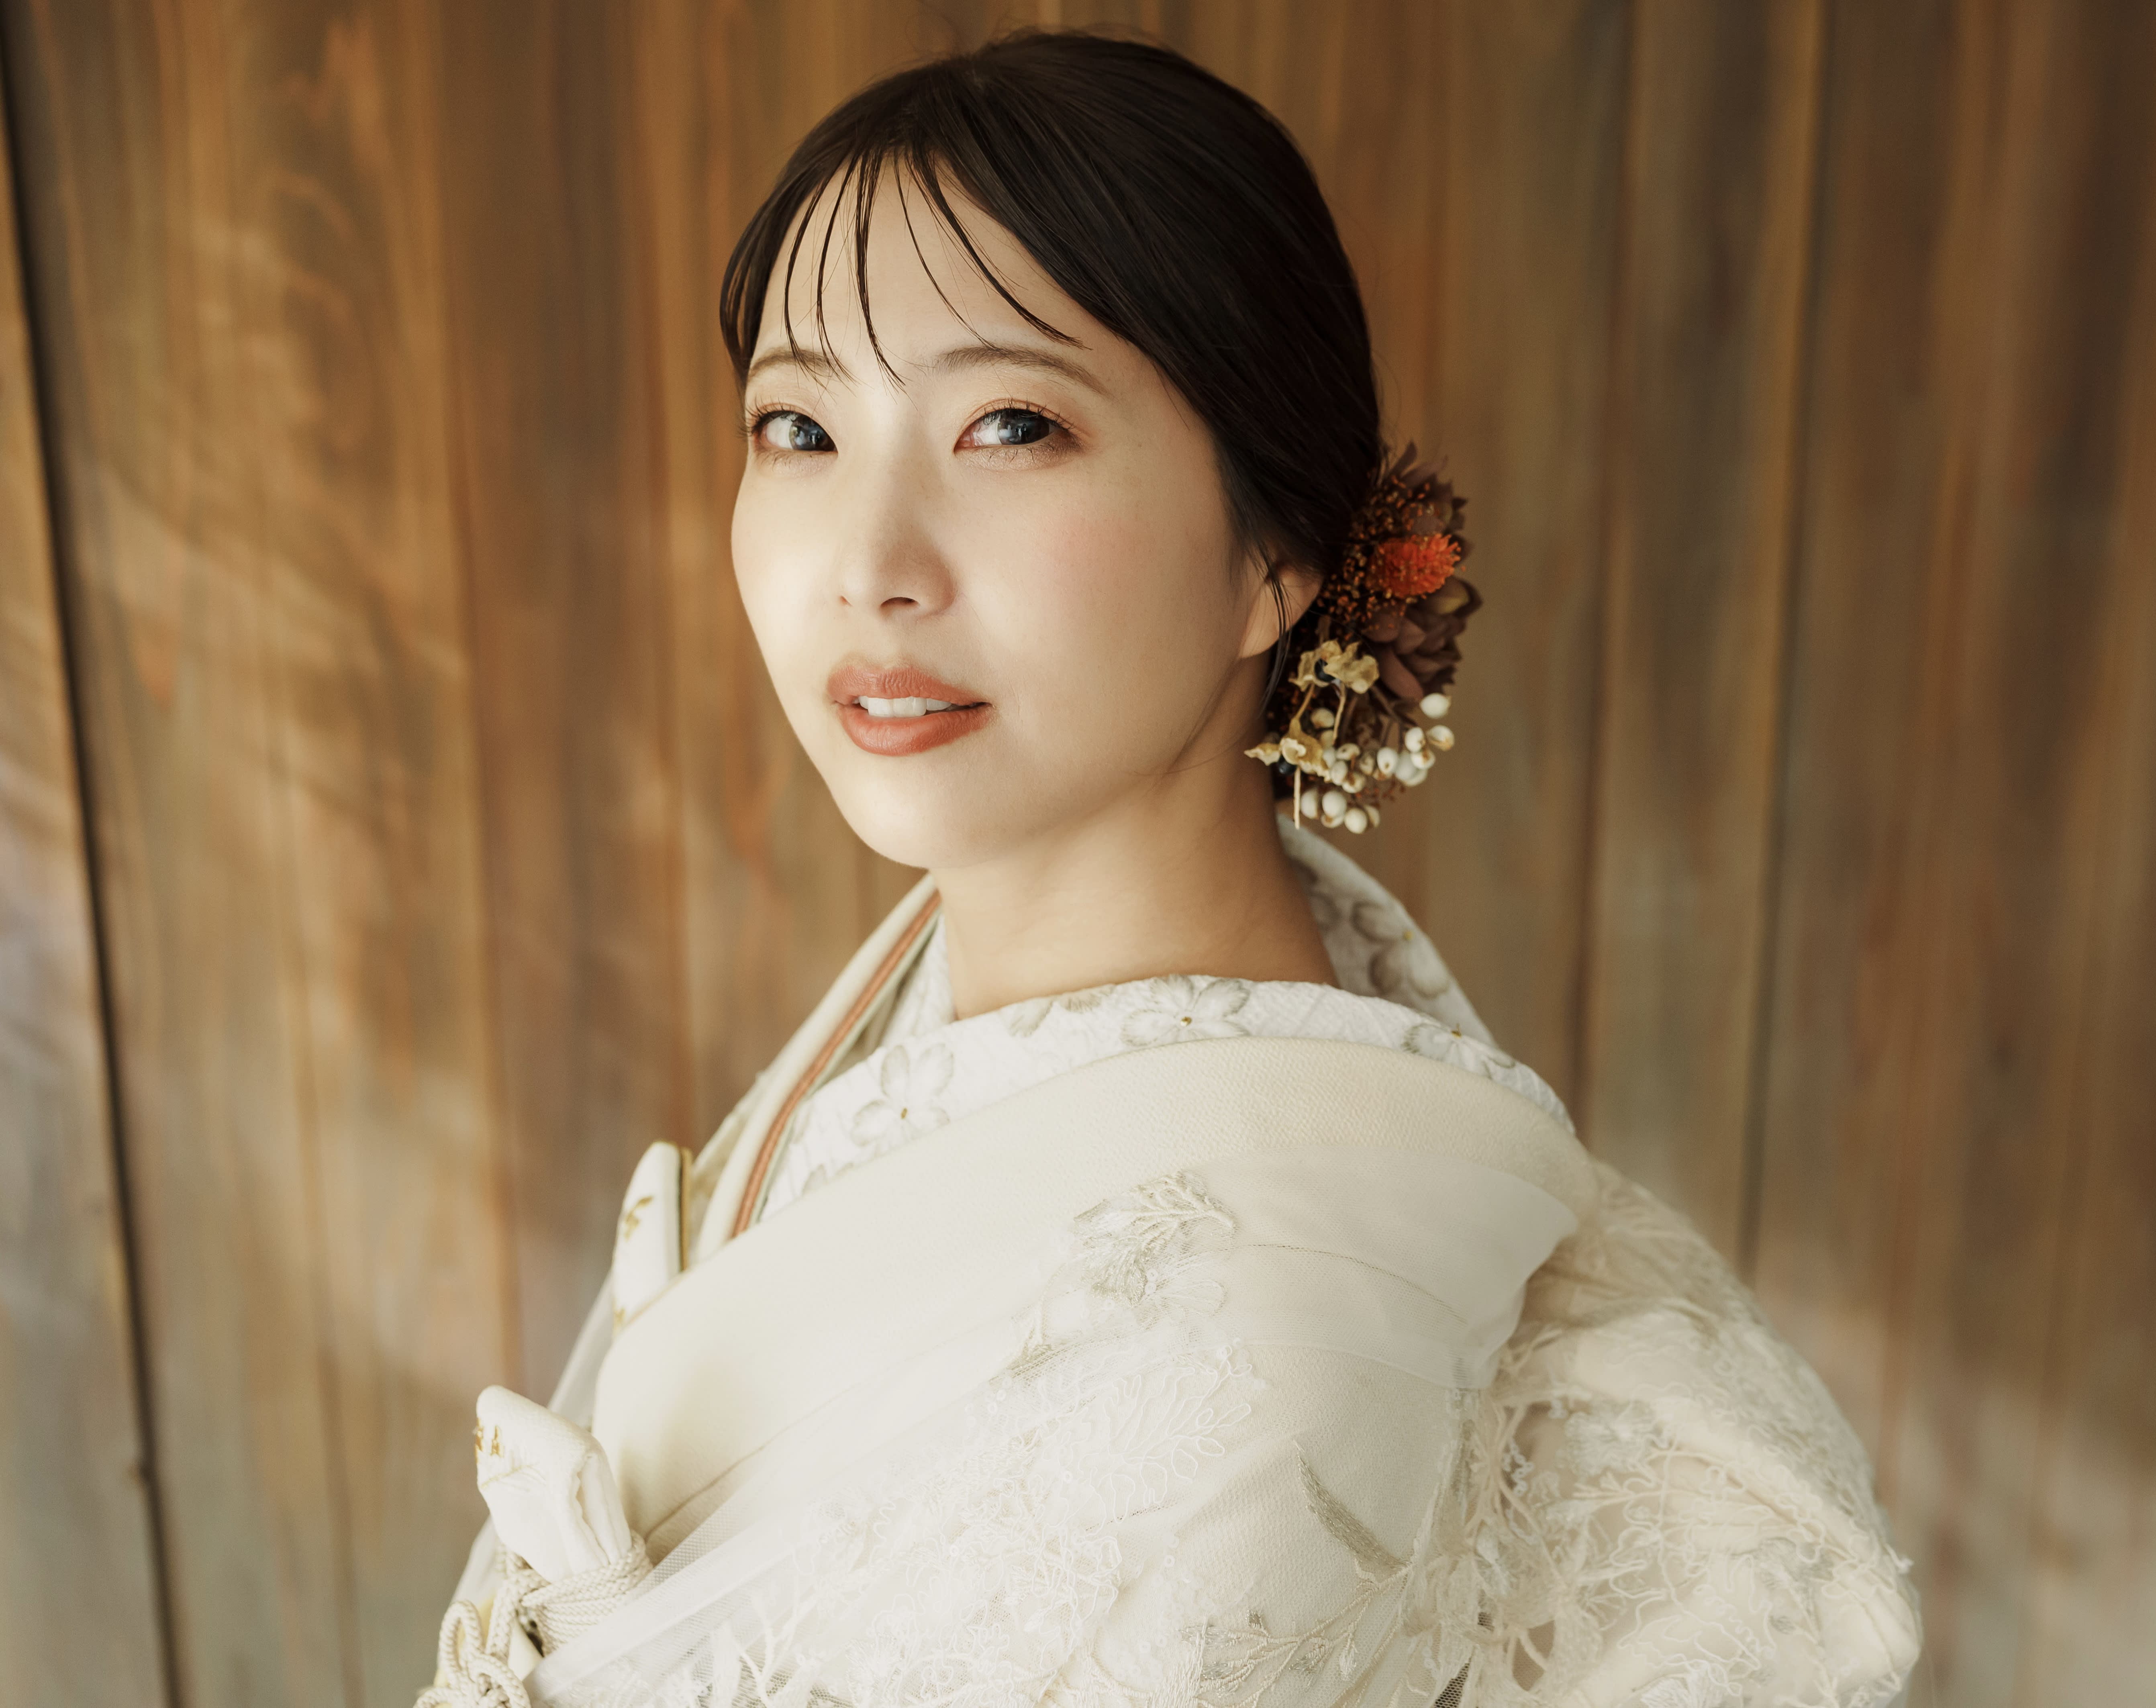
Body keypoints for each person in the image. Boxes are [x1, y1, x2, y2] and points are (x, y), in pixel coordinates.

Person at [420, 31, 1919, 1708]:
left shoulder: (1248, 1368)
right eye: (798, 426)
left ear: (1278, 551)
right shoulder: (962, 977)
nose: (870, 564)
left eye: (1010, 425)